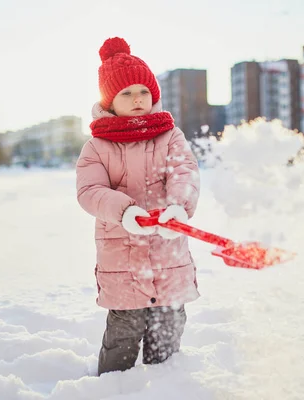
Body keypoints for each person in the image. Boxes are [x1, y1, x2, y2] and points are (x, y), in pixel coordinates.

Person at [76, 37, 201, 376]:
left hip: (167, 256)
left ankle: (165, 389)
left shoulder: (170, 136)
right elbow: (90, 190)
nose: (137, 99)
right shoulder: (97, 146)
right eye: (126, 93)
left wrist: (178, 206)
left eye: (143, 92)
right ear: (109, 101)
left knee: (167, 334)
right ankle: (111, 391)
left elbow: (184, 171)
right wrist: (124, 211)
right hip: (123, 261)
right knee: (123, 336)